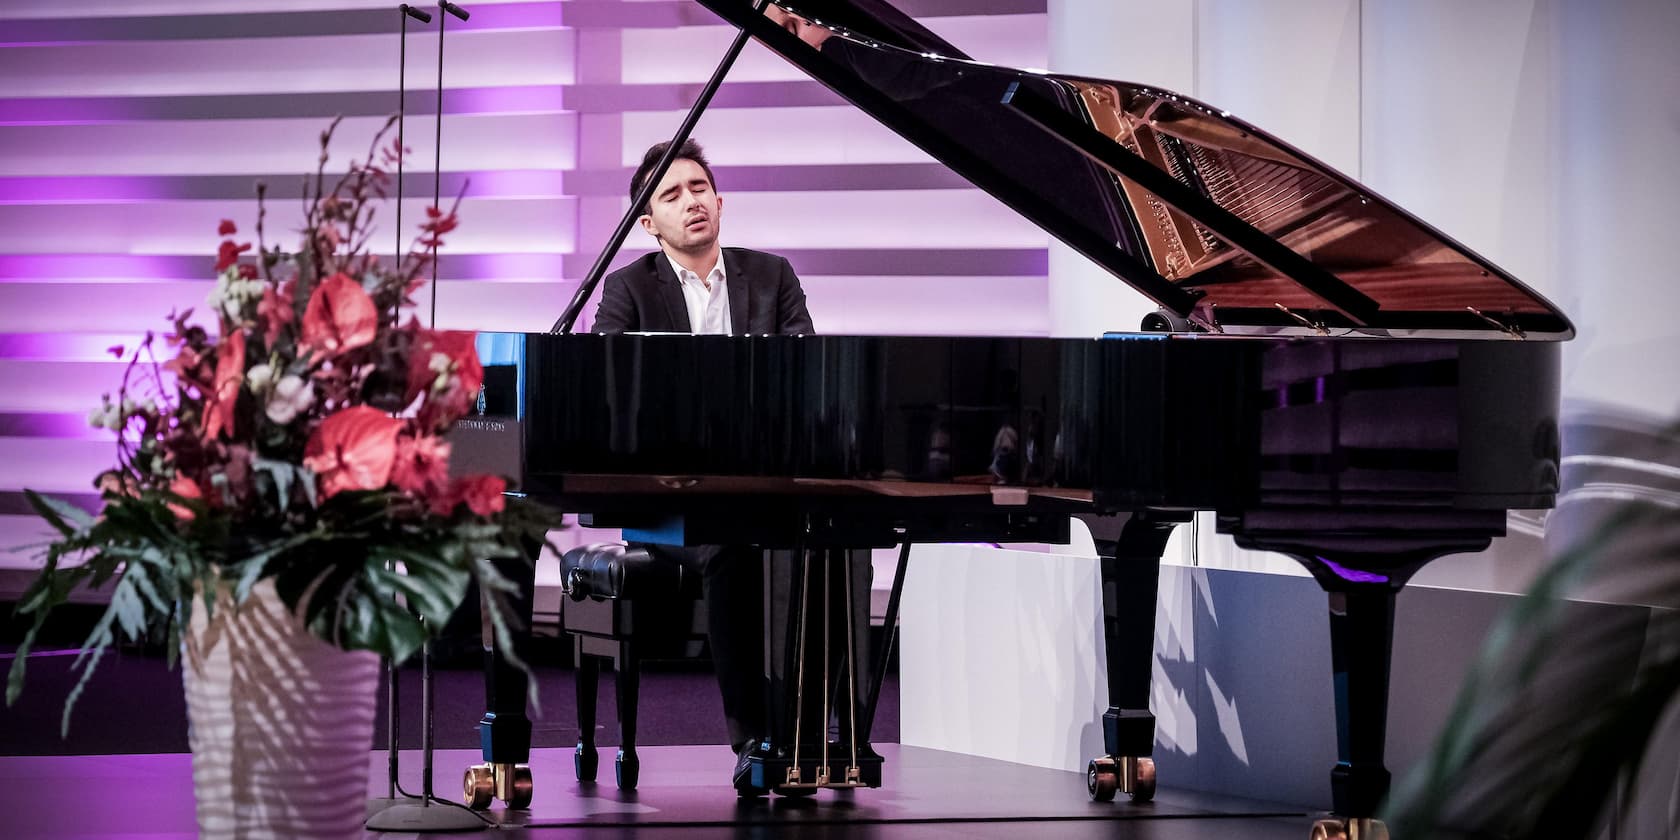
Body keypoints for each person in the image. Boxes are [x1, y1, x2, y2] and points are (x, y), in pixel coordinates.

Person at [592, 139, 818, 795]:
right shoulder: (628, 288)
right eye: (671, 195)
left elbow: (804, 375)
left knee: (831, 545)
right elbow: (610, 392)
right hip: (669, 505)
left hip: (762, 486)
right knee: (730, 547)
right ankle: (754, 738)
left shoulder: (771, 276)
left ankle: (820, 728)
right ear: (646, 221)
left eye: (698, 189)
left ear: (719, 202)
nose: (689, 202)